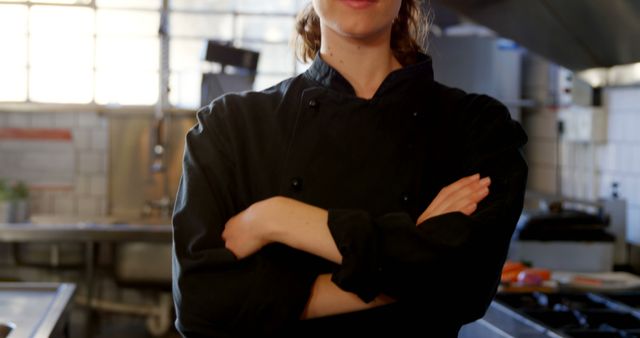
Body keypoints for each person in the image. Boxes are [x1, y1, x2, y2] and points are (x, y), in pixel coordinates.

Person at [172, 0, 528, 337]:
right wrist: (414, 257)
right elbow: (201, 305)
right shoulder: (230, 129)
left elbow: (466, 285)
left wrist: (277, 219)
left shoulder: (477, 128)